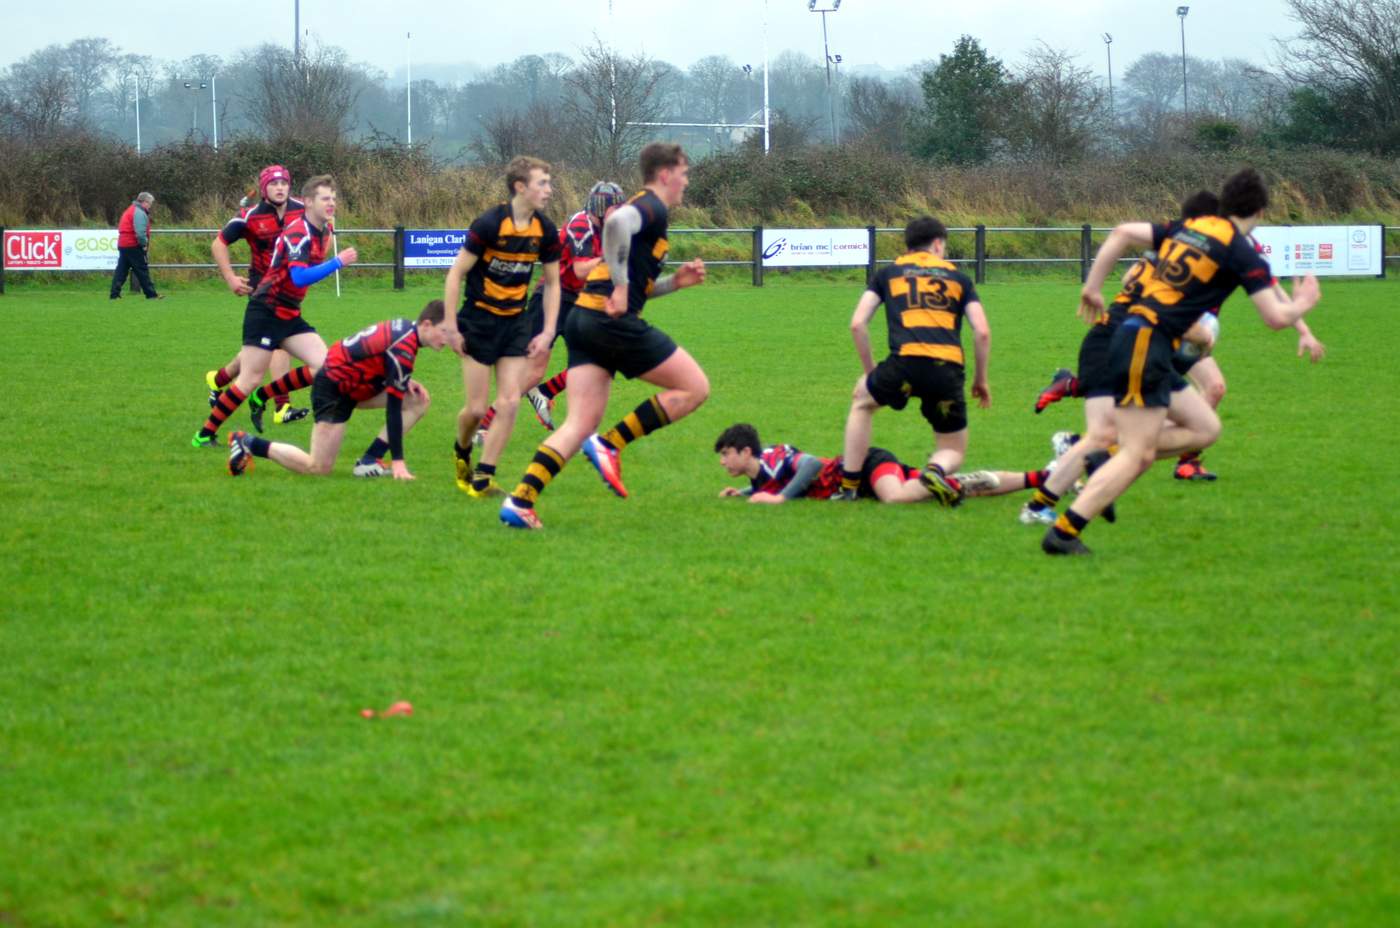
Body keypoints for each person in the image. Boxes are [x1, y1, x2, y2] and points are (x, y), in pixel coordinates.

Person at [1043, 168, 1321, 555]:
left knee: (1205, 427)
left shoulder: (1191, 227)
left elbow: (1122, 232)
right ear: (1260, 211)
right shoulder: (1239, 250)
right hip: (1146, 342)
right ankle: (1064, 531)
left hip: (1146, 340)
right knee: (1138, 455)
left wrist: (1092, 287)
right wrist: (1305, 303)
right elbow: (1275, 317)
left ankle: (1101, 458)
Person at [499, 142, 709, 530]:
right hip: (608, 323)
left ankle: (520, 501)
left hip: (584, 319)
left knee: (578, 424)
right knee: (695, 388)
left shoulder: (650, 212)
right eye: (683, 173)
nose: (686, 181)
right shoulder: (651, 205)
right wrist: (623, 286)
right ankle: (611, 443)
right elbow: (615, 226)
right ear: (665, 175)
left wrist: (674, 283)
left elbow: (629, 284)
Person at [833, 216, 991, 507]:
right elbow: (981, 331)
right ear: (938, 244)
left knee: (862, 402)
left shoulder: (889, 273)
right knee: (953, 449)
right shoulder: (959, 278)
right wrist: (981, 380)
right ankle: (934, 471)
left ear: (908, 245)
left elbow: (857, 324)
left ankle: (849, 487)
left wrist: (871, 374)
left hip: (903, 365)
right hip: (946, 369)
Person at [191, 174, 357, 448]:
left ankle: (263, 396)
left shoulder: (323, 230)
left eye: (334, 199)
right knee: (249, 378)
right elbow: (299, 277)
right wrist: (337, 262)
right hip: (266, 311)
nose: (331, 204)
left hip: (289, 313)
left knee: (327, 366)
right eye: (325, 199)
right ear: (308, 202)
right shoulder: (298, 232)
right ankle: (204, 435)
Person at [444, 156, 563, 498]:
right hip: (478, 321)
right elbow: (456, 274)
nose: (549, 190)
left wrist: (548, 331)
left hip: (515, 323)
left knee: (510, 401)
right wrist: (451, 326)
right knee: (476, 409)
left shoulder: (546, 230)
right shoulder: (490, 224)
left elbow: (553, 283)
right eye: (542, 183)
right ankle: (462, 450)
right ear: (520, 186)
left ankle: (483, 476)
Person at [228, 300, 455, 478]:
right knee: (317, 467)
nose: (447, 339)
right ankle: (247, 442)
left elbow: (373, 358)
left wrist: (401, 380)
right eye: (444, 331)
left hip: (350, 385)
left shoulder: (405, 329)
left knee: (417, 400)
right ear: (427, 324)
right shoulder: (404, 346)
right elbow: (393, 409)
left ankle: (369, 461)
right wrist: (398, 462)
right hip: (333, 391)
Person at [472, 181, 626, 444]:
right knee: (532, 371)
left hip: (581, 300)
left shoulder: (611, 230)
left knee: (600, 362)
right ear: (601, 208)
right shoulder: (581, 224)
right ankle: (484, 425)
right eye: (617, 206)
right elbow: (580, 270)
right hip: (554, 298)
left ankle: (565, 415)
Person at [206, 166, 309, 425]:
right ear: (264, 189)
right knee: (277, 342)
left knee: (259, 349)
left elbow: (324, 231)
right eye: (274, 184)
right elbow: (218, 243)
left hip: (289, 289)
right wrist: (230, 278)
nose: (280, 188)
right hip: (263, 290)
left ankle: (217, 380)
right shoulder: (249, 216)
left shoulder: (302, 209)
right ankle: (282, 407)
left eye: (284, 183)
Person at [713, 423, 943, 504]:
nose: (723, 462)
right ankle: (951, 482)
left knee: (894, 498)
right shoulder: (760, 473)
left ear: (746, 452)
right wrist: (742, 493)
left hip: (864, 467)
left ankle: (945, 480)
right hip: (861, 482)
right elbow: (772, 483)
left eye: (726, 454)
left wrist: (781, 498)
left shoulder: (773, 459)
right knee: (921, 493)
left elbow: (811, 464)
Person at [110, 192, 161, 300]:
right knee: (142, 270)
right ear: (145, 202)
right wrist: (144, 244)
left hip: (124, 244)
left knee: (121, 271)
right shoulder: (139, 212)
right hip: (133, 244)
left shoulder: (130, 209)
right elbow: (140, 233)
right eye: (150, 203)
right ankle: (151, 294)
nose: (150, 206)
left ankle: (114, 294)